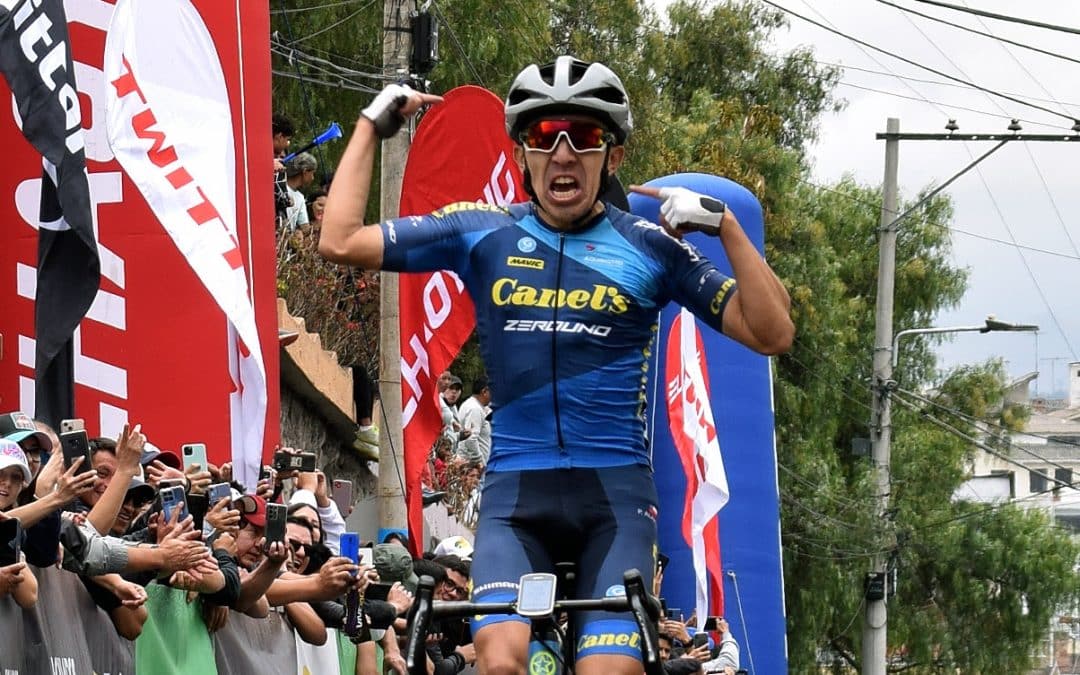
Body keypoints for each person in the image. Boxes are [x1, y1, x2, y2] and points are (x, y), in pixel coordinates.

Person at [320, 56, 793, 675]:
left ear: (612, 157)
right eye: (544, 137)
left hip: (614, 499)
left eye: (585, 136)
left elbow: (774, 331)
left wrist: (727, 226)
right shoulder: (482, 232)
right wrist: (369, 125)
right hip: (517, 497)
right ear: (522, 153)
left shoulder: (650, 248)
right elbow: (339, 238)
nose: (563, 153)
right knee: (501, 660)